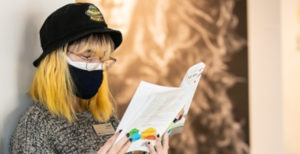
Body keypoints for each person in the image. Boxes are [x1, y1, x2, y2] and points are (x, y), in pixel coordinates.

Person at [10, 2, 169, 154]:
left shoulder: (103, 116)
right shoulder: (36, 125)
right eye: (87, 57)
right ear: (56, 61)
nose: (96, 67)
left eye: (102, 58)